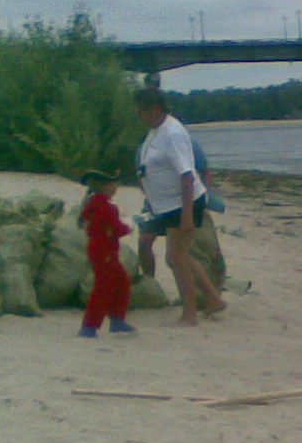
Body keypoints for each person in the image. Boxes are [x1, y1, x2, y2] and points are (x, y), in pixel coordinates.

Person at [135, 87, 222, 327]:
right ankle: (214, 298)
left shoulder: (172, 133)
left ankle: (189, 314)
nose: (139, 117)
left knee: (175, 259)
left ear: (155, 109)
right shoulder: (156, 130)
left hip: (182, 204)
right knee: (182, 256)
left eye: (141, 112)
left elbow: (187, 176)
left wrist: (186, 216)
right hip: (166, 205)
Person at [77, 171, 135, 338]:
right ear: (106, 186)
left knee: (121, 282)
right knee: (104, 288)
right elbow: (117, 229)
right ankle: (90, 326)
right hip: (106, 251)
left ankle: (117, 319)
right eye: (114, 183)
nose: (116, 187)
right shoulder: (108, 207)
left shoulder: (92, 203)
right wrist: (130, 226)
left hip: (98, 249)